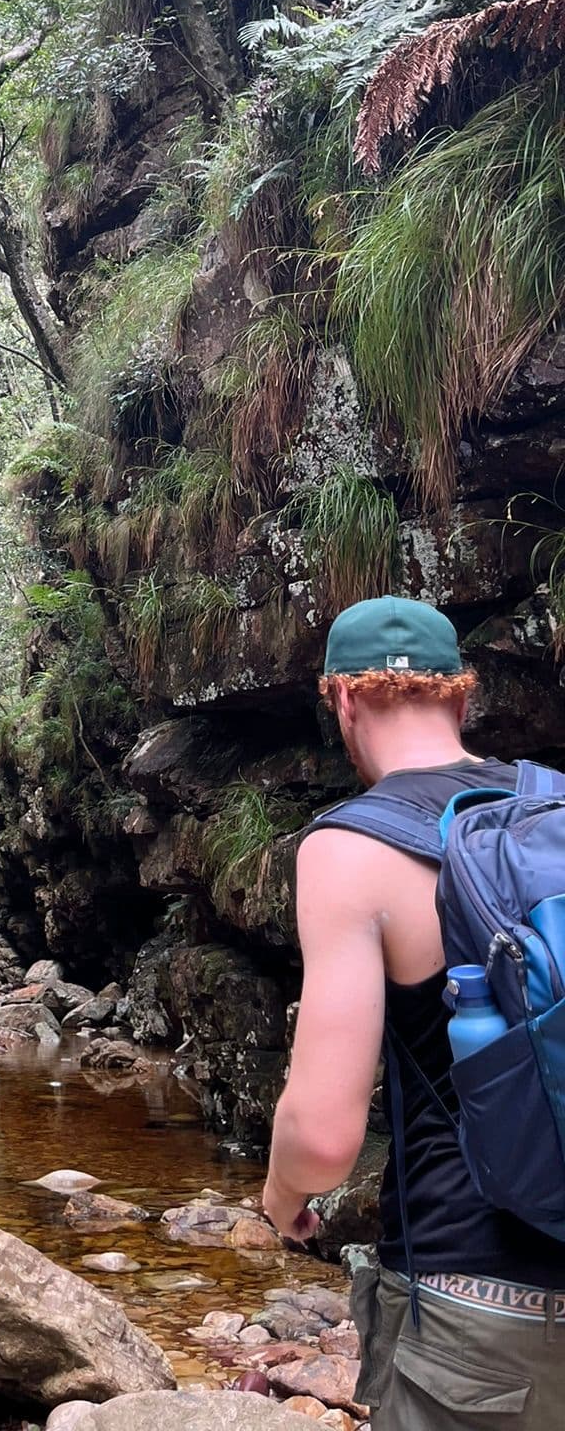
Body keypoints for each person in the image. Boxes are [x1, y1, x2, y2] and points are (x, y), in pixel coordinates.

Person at [264, 595, 565, 1425]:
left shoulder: (349, 850)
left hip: (477, 1295)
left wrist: (280, 1190)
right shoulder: (557, 809)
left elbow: (325, 1141)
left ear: (344, 702)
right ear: (463, 698)